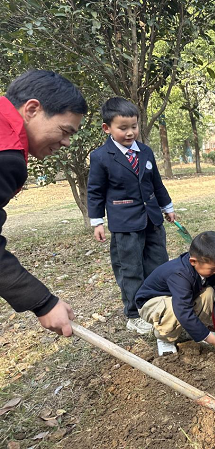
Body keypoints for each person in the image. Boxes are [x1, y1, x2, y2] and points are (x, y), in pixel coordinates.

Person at [0, 70, 87, 337]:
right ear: (32, 109)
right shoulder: (6, 155)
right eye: (64, 130)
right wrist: (43, 303)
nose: (66, 142)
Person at [87, 97, 176, 335]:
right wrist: (97, 221)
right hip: (124, 224)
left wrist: (167, 206)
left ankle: (159, 306)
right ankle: (135, 314)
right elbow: (95, 191)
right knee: (130, 268)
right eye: (123, 128)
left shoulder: (145, 152)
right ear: (107, 128)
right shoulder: (101, 156)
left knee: (158, 263)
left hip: (152, 220)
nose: (130, 133)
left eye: (134, 127)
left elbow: (156, 183)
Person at [135, 231, 215, 356]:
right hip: (150, 304)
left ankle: (198, 330)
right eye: (213, 269)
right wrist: (213, 340)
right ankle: (165, 338)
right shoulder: (179, 274)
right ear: (193, 261)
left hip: (177, 299)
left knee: (209, 292)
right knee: (174, 307)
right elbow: (183, 310)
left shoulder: (206, 269)